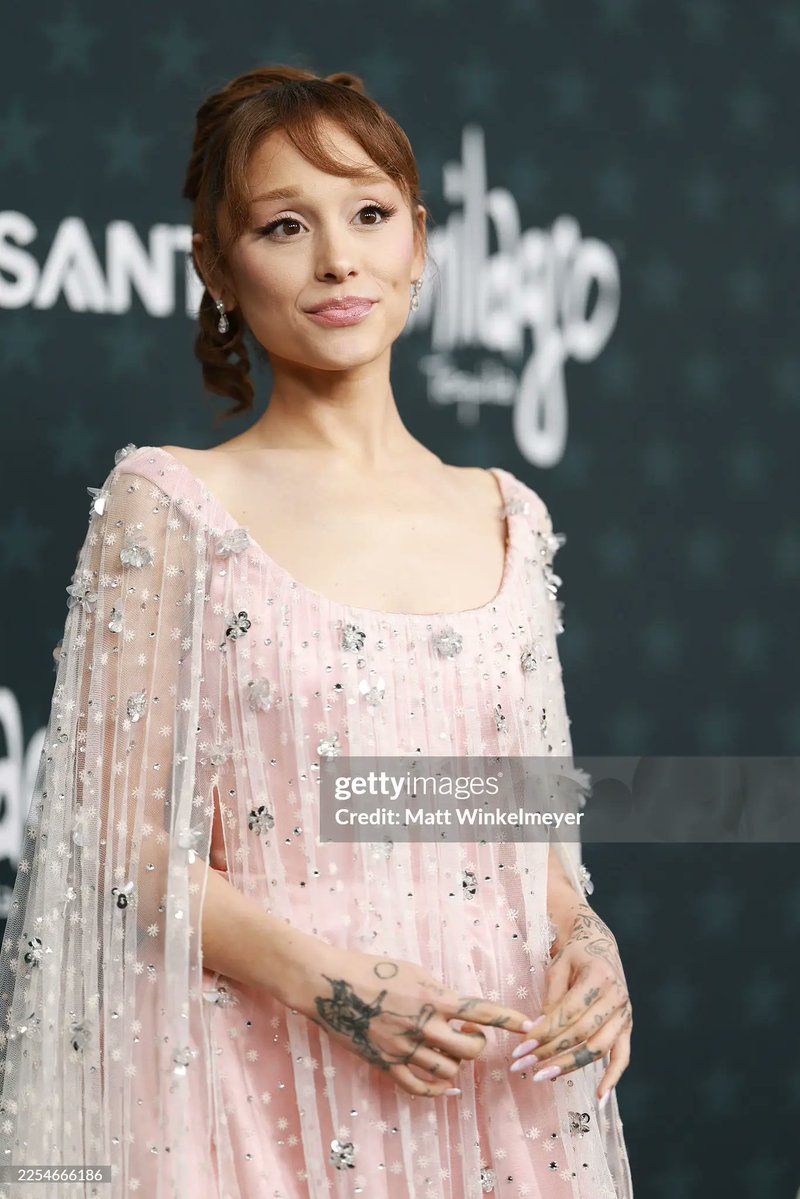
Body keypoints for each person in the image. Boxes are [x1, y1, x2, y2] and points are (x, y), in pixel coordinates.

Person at [0, 67, 634, 1198]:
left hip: (495, 1084)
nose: (338, 259)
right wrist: (335, 988)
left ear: (419, 243)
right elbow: (114, 851)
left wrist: (585, 943)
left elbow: (516, 835)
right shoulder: (172, 503)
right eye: (285, 225)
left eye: (369, 214)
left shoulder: (507, 517)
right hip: (257, 1086)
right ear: (217, 267)